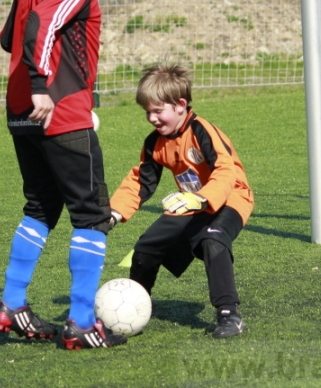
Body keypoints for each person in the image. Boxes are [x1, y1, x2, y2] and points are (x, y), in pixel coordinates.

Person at [0, 0, 133, 350]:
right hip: (59, 110)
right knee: (91, 214)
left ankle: (11, 304)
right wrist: (44, 84)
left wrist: (33, 83)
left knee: (41, 207)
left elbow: (7, 37)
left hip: (21, 112)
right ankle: (80, 320)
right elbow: (41, 21)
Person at [108, 64, 254, 338]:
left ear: (180, 105)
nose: (151, 118)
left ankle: (229, 314)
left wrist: (201, 199)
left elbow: (226, 171)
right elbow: (141, 181)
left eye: (157, 110)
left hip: (232, 197)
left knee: (213, 238)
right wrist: (113, 213)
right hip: (190, 204)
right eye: (147, 112)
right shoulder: (155, 142)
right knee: (146, 247)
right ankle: (133, 309)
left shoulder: (202, 131)